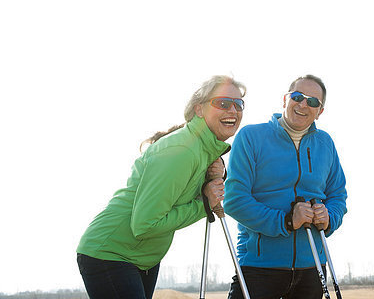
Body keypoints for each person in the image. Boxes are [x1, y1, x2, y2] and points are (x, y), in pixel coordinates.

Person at [76, 75, 246, 299]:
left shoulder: (202, 149)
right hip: (111, 253)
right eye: (223, 103)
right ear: (199, 109)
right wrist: (204, 204)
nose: (232, 110)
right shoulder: (182, 151)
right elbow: (145, 225)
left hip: (142, 258)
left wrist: (216, 173)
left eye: (238, 104)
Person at [224, 74, 347, 299]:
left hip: (313, 268)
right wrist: (287, 221)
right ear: (285, 99)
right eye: (297, 97)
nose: (303, 104)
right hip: (260, 269)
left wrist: (329, 216)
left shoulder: (325, 143)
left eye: (312, 102)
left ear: (320, 111)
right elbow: (234, 201)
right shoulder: (251, 137)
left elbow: (338, 195)